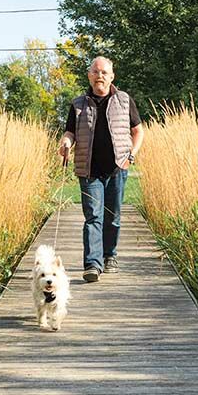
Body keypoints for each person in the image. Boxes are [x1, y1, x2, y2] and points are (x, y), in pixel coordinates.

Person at [58, 56, 144, 282]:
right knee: (93, 217)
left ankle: (110, 256)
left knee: (113, 216)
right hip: (90, 170)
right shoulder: (78, 104)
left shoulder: (124, 100)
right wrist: (66, 142)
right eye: (96, 72)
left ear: (112, 76)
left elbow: (138, 131)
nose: (100, 76)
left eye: (104, 72)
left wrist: (131, 155)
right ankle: (92, 265)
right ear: (89, 76)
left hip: (117, 168)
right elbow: (70, 132)